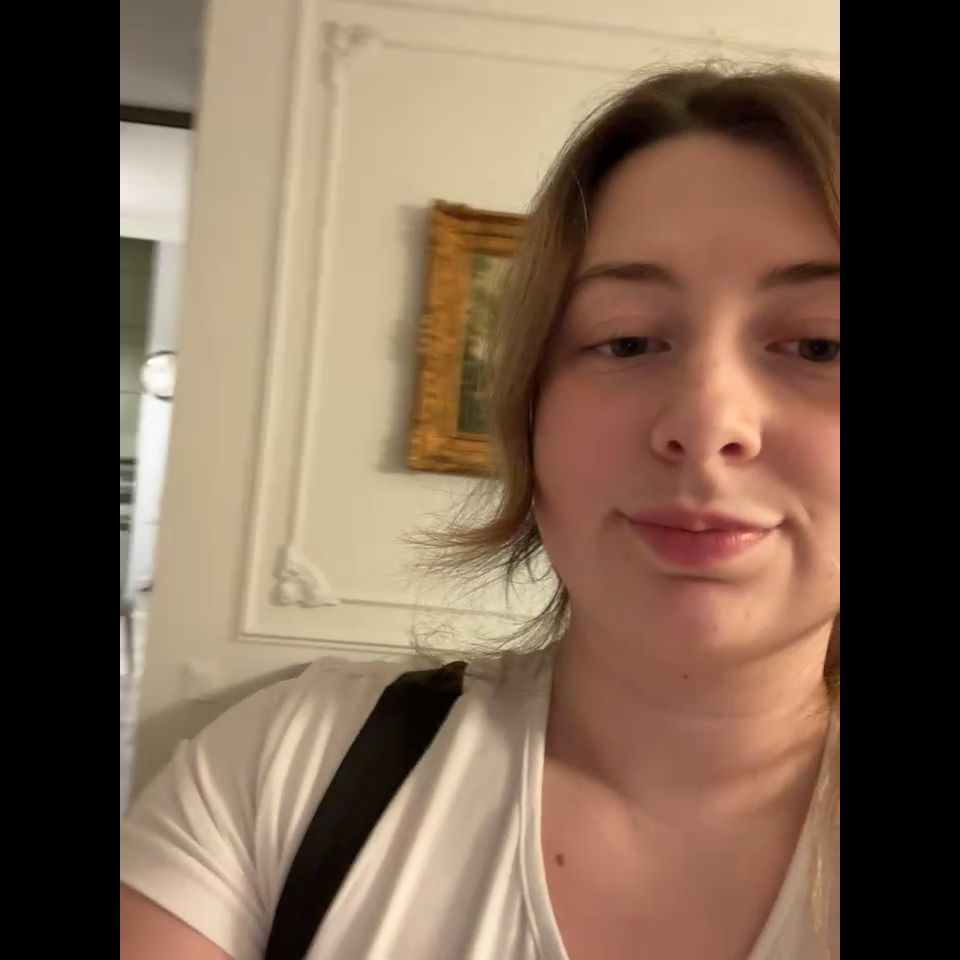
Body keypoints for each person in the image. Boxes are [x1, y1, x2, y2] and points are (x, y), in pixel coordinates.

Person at [120, 62, 840, 960]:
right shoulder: (288, 770)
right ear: (530, 410)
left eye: (822, 345)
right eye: (626, 341)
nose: (704, 424)